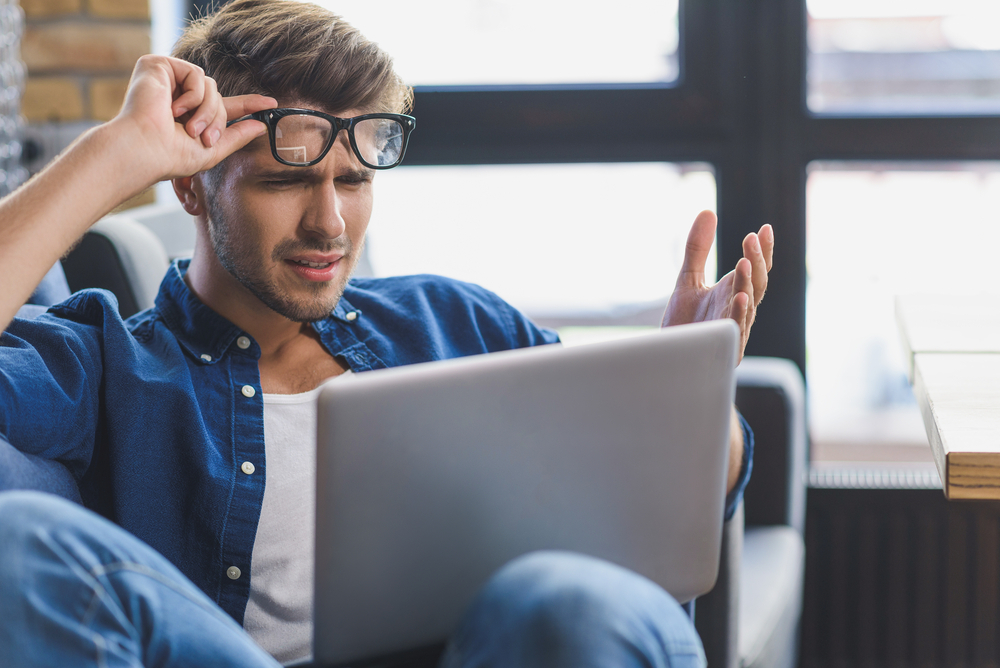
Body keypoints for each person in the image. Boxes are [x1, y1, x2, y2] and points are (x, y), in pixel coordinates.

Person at [0, 0, 773, 666]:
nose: (330, 224)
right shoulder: (106, 358)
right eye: (287, 179)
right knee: (21, 537)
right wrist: (112, 156)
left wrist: (685, 391)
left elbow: (707, 492)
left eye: (354, 181)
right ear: (193, 187)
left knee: (567, 603)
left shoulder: (452, 321)